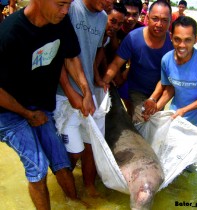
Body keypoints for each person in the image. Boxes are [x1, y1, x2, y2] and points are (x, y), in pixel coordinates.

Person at [0, 0, 95, 209]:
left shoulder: (61, 21)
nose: (66, 11)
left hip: (39, 105)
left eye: (69, 4)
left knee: (60, 158)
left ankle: (75, 202)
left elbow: (70, 57)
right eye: (61, 4)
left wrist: (86, 91)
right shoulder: (9, 33)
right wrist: (26, 114)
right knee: (38, 167)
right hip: (7, 111)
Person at [55, 0, 113, 197]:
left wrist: (97, 78)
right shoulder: (69, 8)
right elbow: (57, 53)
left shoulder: (103, 17)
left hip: (88, 92)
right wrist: (71, 92)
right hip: (64, 95)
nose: (109, 3)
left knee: (92, 146)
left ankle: (89, 186)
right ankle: (65, 192)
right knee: (73, 152)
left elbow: (94, 50)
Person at [103, 0, 174, 124]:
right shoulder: (133, 37)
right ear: (147, 17)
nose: (159, 24)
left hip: (160, 90)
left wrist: (155, 100)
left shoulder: (173, 42)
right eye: (155, 18)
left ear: (170, 21)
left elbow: (171, 77)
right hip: (137, 89)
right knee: (141, 120)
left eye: (164, 20)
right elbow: (115, 64)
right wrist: (103, 83)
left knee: (155, 123)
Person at [143, 16, 197, 126]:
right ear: (171, 37)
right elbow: (170, 87)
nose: (182, 45)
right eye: (177, 39)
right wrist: (155, 109)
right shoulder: (166, 60)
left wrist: (184, 110)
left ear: (196, 39)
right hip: (175, 117)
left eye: (187, 40)